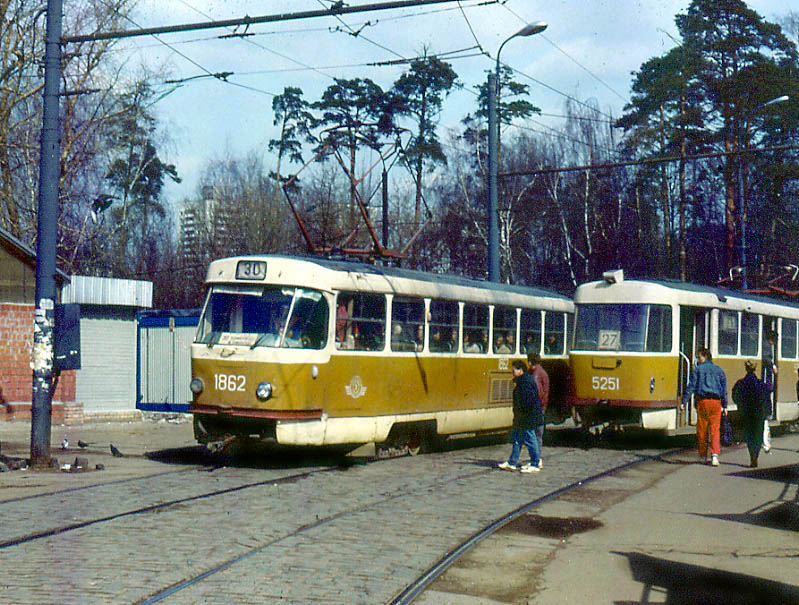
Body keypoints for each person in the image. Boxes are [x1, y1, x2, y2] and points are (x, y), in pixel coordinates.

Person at [681, 348, 728, 466]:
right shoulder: (719, 370)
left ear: (705, 357)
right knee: (715, 429)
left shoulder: (698, 370)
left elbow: (691, 386)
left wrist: (684, 402)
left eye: (699, 357)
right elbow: (724, 390)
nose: (698, 359)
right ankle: (715, 455)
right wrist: (725, 405)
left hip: (703, 401)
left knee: (702, 429)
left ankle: (703, 455)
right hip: (716, 402)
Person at [498, 360, 544, 473]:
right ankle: (512, 462)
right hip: (521, 417)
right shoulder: (522, 381)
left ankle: (535, 463)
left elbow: (528, 402)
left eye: (514, 369)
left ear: (520, 370)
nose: (512, 371)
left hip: (527, 417)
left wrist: (523, 416)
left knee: (530, 439)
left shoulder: (526, 382)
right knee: (517, 438)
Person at [732, 360, 770, 467]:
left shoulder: (741, 383)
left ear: (746, 368)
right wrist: (767, 412)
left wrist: (740, 405)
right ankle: (755, 455)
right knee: (758, 435)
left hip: (746, 412)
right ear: (755, 369)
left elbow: (735, 396)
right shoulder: (761, 383)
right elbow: (767, 399)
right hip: (759, 413)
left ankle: (752, 455)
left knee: (749, 435)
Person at [527, 352, 550, 469]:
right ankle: (536, 459)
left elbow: (537, 392)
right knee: (537, 434)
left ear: (531, 362)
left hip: (536, 407)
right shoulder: (540, 372)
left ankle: (536, 460)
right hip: (540, 407)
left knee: (535, 434)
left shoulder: (536, 374)